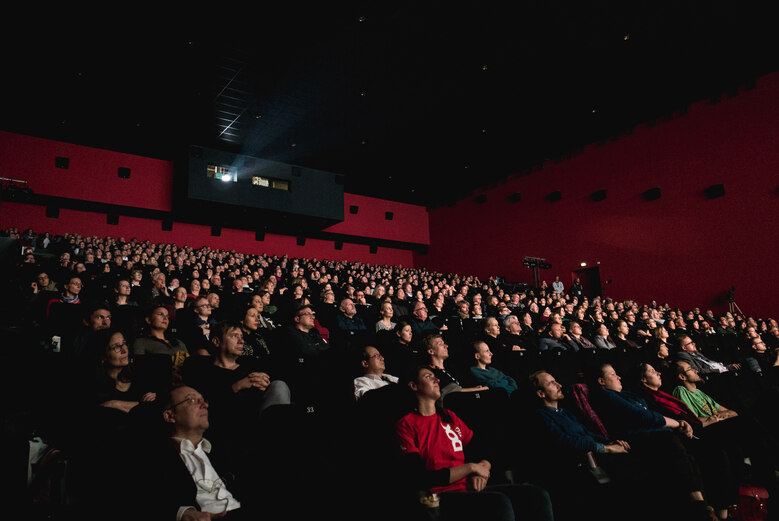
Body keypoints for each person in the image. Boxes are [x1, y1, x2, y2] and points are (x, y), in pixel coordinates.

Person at [395, 366, 554, 521]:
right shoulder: (406, 424)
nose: (437, 379)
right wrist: (471, 468)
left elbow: (481, 448)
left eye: (435, 376)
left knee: (536, 495)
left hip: (467, 487)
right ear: (413, 385)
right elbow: (419, 477)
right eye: (428, 377)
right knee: (498, 503)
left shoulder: (448, 416)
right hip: (435, 496)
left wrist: (483, 467)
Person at [181, 320, 291, 447]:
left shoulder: (251, 364)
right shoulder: (200, 367)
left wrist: (266, 383)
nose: (241, 341)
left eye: (242, 337)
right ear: (217, 342)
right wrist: (237, 386)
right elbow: (206, 404)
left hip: (259, 420)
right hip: (225, 425)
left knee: (279, 386)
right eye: (234, 336)